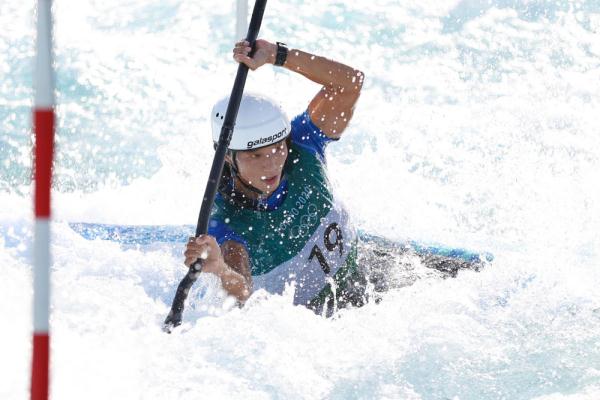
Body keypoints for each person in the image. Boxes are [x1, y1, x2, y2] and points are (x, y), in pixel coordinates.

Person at [184, 38, 365, 314]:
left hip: (366, 275)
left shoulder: (302, 145)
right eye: (255, 155)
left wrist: (277, 55)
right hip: (318, 321)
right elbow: (243, 290)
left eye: (278, 148)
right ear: (229, 158)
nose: (272, 165)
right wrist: (220, 269)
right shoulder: (227, 221)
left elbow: (349, 83)